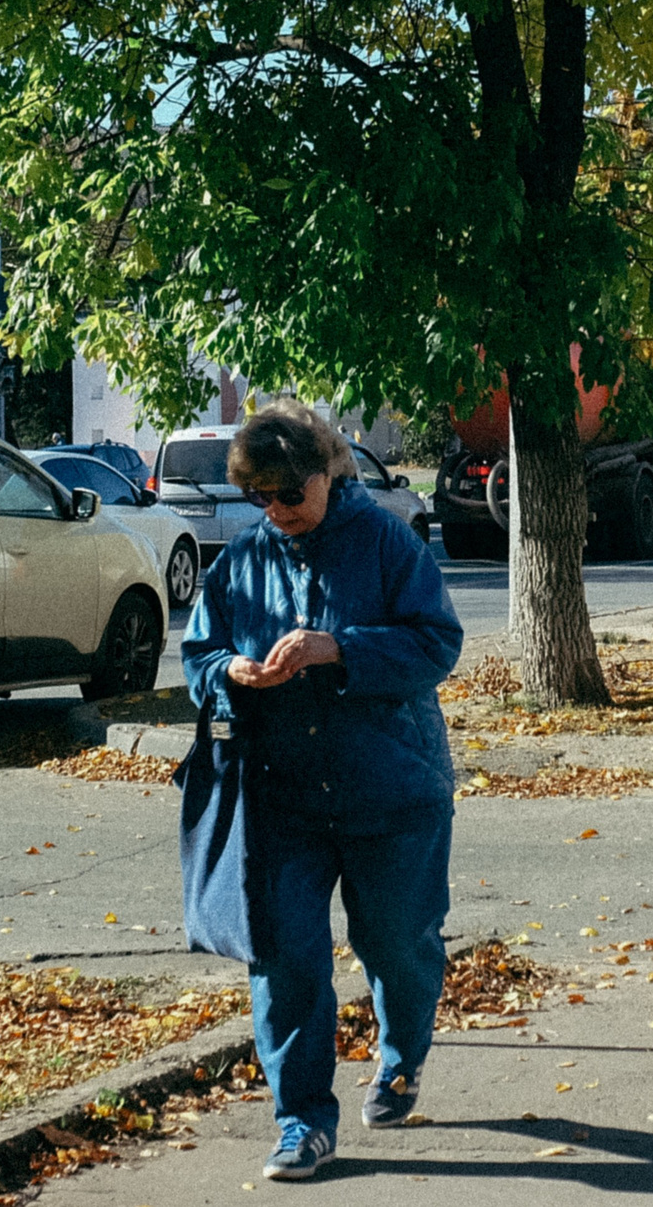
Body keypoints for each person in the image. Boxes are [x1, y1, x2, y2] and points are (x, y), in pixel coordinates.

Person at [179, 401, 464, 1182]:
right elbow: (198, 652)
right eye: (257, 498)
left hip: (393, 790)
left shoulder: (385, 543)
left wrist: (339, 648)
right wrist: (228, 673)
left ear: (327, 474)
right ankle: (302, 1121)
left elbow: (439, 643)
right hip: (282, 798)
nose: (274, 510)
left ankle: (401, 1057)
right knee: (286, 961)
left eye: (286, 494)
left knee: (398, 945)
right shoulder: (242, 562)